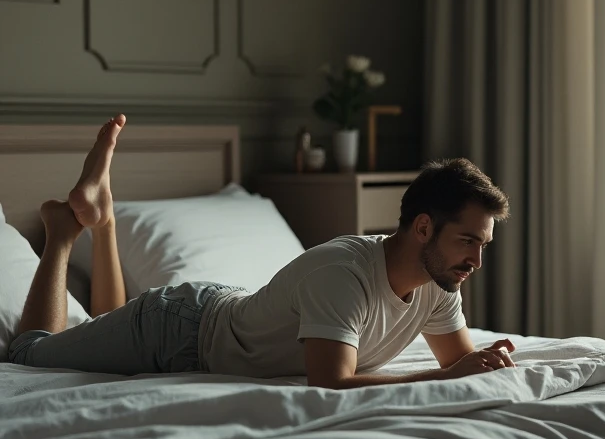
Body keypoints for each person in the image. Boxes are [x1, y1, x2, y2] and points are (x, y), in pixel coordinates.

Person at [8, 115, 516, 388]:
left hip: (223, 312)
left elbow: (460, 366)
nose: (475, 259)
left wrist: (484, 366)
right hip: (180, 330)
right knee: (30, 355)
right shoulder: (345, 274)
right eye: (468, 240)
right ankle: (62, 233)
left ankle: (107, 221)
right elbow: (330, 382)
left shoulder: (439, 281)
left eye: (483, 245)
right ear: (424, 228)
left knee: (103, 323)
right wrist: (449, 373)